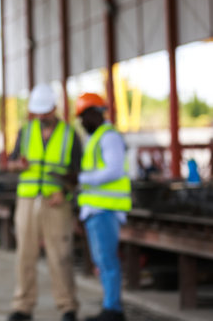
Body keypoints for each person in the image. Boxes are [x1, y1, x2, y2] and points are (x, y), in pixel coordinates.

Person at [6, 83, 80, 321]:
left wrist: (66, 193)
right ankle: (23, 306)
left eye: (45, 112)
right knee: (25, 255)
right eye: (37, 112)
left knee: (60, 256)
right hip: (27, 200)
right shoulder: (25, 131)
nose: (40, 116)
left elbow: (79, 173)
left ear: (54, 108)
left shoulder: (70, 135)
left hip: (57, 202)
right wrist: (19, 165)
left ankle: (67, 307)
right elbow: (11, 163)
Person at [70, 93, 132, 321]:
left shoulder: (108, 137)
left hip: (105, 209)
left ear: (94, 114)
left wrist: (82, 178)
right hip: (96, 209)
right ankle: (111, 307)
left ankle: (113, 310)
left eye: (83, 117)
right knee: (103, 261)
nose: (82, 123)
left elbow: (114, 170)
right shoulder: (98, 138)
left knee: (107, 261)